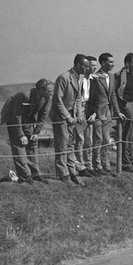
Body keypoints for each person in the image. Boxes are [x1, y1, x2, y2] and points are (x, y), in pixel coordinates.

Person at [1, 78, 54, 184]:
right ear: (40, 90)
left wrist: (36, 133)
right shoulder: (24, 95)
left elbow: (42, 117)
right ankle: (25, 174)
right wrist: (21, 135)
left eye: (52, 91)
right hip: (12, 116)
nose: (51, 93)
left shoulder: (47, 98)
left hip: (27, 117)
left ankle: (35, 173)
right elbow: (16, 116)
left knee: (32, 142)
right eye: (49, 91)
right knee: (19, 144)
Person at [50, 54, 91, 185]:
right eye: (85, 66)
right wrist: (67, 117)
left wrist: (78, 115)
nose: (87, 69)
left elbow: (78, 98)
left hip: (72, 117)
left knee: (71, 145)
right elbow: (57, 100)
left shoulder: (79, 78)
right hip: (61, 116)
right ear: (78, 65)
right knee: (62, 145)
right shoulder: (63, 78)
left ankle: (72, 172)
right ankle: (63, 175)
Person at [86, 52, 124, 176]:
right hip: (97, 111)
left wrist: (118, 111)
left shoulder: (112, 77)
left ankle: (105, 163)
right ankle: (96, 164)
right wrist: (96, 112)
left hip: (108, 111)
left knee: (106, 139)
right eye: (111, 62)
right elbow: (93, 97)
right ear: (103, 63)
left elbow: (112, 95)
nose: (113, 64)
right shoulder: (95, 77)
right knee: (98, 138)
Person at [115, 52, 133, 173]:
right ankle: (125, 162)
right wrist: (124, 106)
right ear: (127, 63)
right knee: (126, 135)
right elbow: (118, 92)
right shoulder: (121, 75)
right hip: (128, 105)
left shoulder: (132, 75)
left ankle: (131, 160)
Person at [75, 56, 99, 177]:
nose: (93, 68)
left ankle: (88, 164)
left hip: (89, 111)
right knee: (80, 139)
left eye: (95, 66)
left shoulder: (94, 80)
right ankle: (80, 166)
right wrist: (79, 113)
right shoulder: (79, 79)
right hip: (79, 110)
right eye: (91, 66)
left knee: (88, 140)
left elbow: (96, 100)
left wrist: (94, 113)